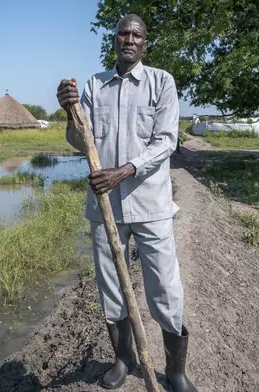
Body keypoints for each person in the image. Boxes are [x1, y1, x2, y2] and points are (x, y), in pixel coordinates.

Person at [56, 14, 196, 392]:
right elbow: (78, 139)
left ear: (144, 43)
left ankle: (177, 371)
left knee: (166, 287)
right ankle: (123, 359)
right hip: (106, 208)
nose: (129, 39)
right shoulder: (92, 85)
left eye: (136, 34)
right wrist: (69, 111)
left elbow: (166, 141)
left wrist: (125, 170)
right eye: (123, 33)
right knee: (111, 288)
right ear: (114, 40)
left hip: (150, 205)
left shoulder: (161, 82)